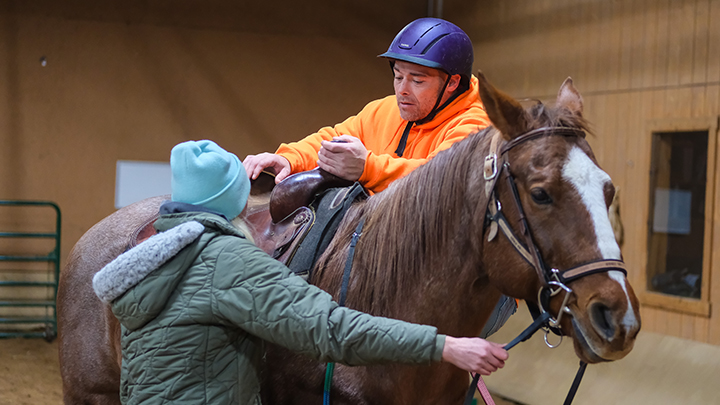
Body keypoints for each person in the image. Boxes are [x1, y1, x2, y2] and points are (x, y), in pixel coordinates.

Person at [92, 140, 508, 405]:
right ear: (234, 200)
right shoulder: (227, 261)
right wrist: (445, 347)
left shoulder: (153, 256)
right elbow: (331, 329)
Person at [243, 17, 491, 194]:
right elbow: (332, 140)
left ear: (452, 82)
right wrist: (289, 160)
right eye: (397, 76)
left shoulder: (476, 125)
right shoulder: (384, 109)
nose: (402, 89)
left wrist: (366, 167)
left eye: (417, 80)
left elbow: (440, 179)